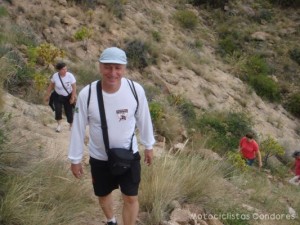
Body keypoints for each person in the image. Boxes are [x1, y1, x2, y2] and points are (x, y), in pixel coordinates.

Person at [68, 47, 155, 225]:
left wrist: (149, 145)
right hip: (100, 157)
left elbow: (143, 118)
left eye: (117, 68)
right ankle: (111, 220)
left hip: (128, 155)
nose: (113, 73)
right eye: (108, 67)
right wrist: (75, 159)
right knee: (103, 195)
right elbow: (77, 127)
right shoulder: (88, 94)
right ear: (100, 67)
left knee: (130, 197)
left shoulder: (135, 90)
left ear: (124, 68)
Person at [45, 62, 77, 132]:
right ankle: (59, 125)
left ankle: (71, 125)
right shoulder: (55, 76)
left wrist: (72, 97)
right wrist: (47, 95)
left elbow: (74, 87)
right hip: (57, 96)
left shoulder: (70, 76)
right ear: (59, 70)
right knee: (58, 110)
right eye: (63, 69)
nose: (65, 70)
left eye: (66, 69)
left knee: (69, 111)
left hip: (68, 96)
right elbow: (51, 86)